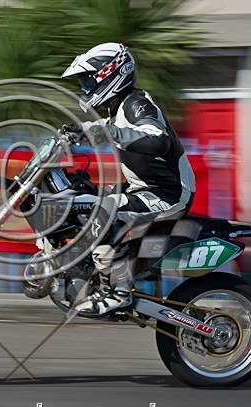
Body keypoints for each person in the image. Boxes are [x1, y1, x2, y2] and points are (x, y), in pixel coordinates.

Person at [60, 42, 196, 317]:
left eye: (88, 80)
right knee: (81, 197)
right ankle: (99, 273)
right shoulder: (117, 108)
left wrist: (103, 133)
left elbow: (158, 139)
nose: (85, 88)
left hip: (166, 194)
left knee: (102, 211)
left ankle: (119, 291)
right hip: (142, 186)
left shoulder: (137, 104)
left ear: (111, 74)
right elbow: (109, 131)